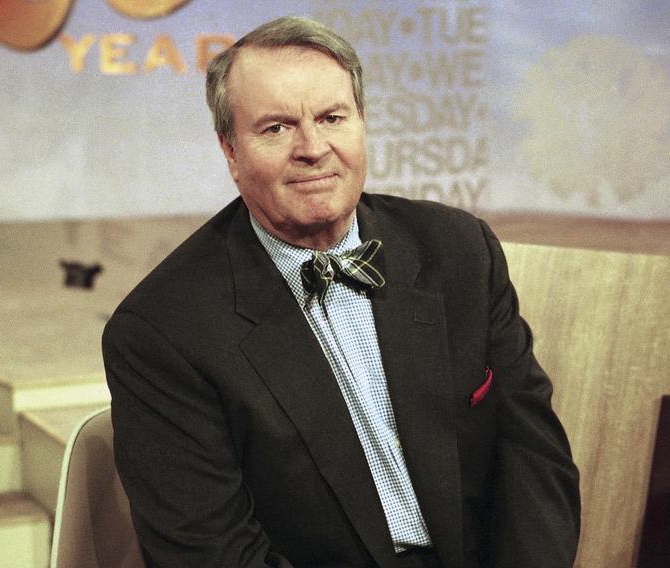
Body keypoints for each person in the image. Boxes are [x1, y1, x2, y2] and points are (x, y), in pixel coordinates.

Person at [102, 15, 580, 568]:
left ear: (362, 124)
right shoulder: (163, 331)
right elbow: (214, 554)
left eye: (332, 117)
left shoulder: (458, 251)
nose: (313, 147)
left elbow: (534, 460)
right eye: (276, 128)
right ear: (230, 152)